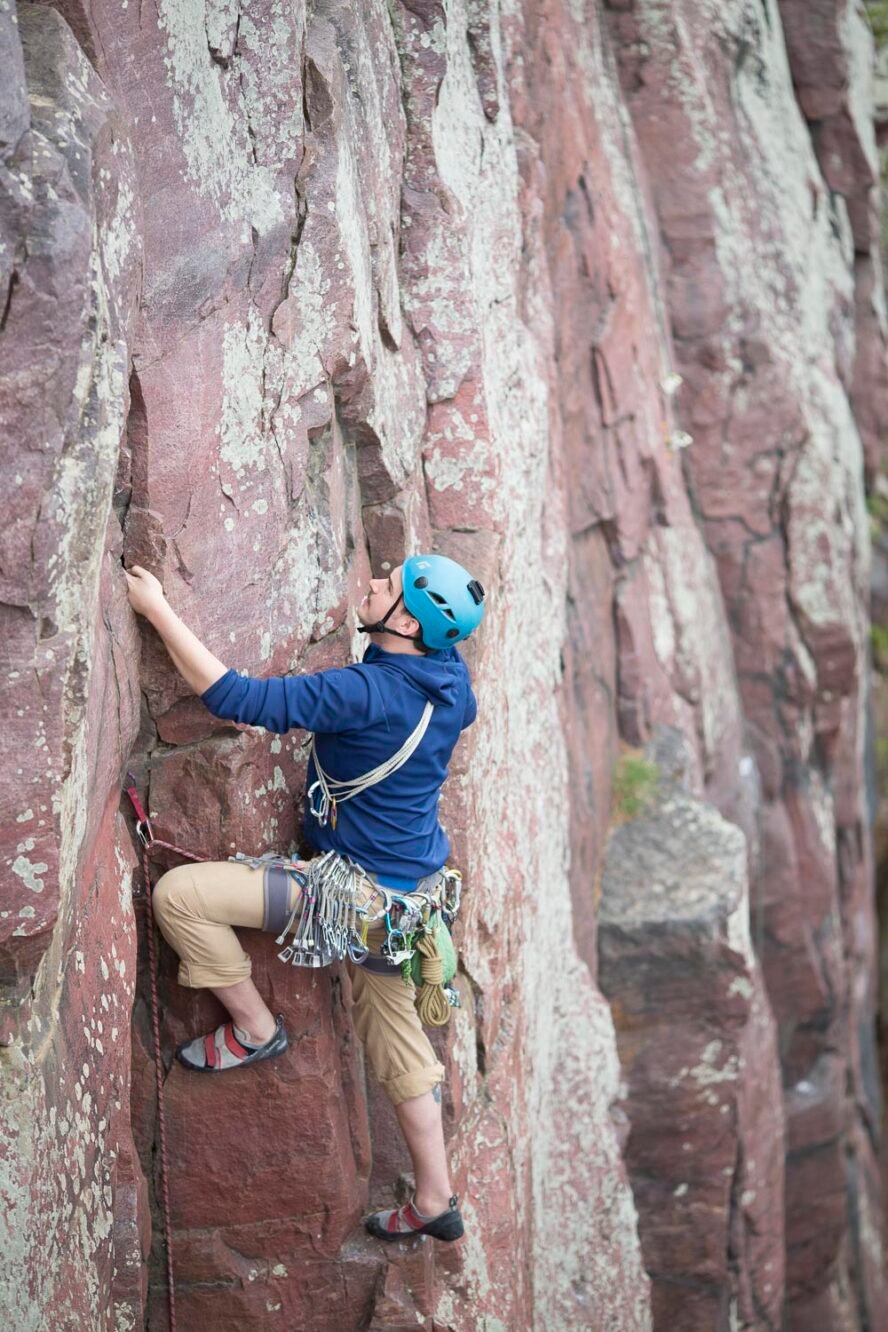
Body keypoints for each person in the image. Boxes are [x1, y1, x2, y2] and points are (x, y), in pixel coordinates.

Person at [124, 554, 484, 1243]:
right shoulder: (450, 680)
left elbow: (237, 699)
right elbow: (452, 712)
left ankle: (256, 1028)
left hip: (352, 898)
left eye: (390, 584)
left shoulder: (366, 692)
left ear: (406, 620)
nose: (374, 582)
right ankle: (435, 1198)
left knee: (181, 896)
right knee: (399, 1042)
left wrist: (156, 609)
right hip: (410, 905)